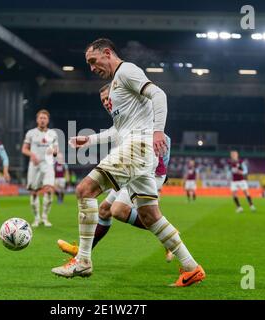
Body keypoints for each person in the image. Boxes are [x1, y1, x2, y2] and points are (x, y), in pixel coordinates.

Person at [52, 38, 205, 287]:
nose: (91, 68)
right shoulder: (117, 87)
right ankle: (191, 267)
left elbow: (159, 94)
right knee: (149, 214)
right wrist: (88, 140)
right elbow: (117, 130)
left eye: (93, 61)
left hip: (137, 147)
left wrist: (158, 131)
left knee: (84, 190)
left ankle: (83, 260)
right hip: (139, 152)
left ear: (107, 53)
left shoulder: (126, 71)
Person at [58, 83, 175, 263]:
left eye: (108, 98)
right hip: (130, 172)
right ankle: (82, 253)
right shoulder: (122, 119)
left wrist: (154, 177)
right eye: (103, 100)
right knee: (104, 210)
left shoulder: (140, 115)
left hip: (147, 172)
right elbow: (112, 133)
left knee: (119, 210)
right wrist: (89, 140)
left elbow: (162, 145)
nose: (106, 102)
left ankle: (169, 240)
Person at [22, 109, 59, 228]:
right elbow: (24, 149)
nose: (42, 120)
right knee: (34, 192)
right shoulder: (31, 133)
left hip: (48, 164)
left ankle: (45, 217)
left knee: (49, 190)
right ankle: (36, 218)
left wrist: (53, 151)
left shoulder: (53, 134)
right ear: (37, 120)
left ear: (48, 120)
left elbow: (56, 151)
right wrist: (32, 154)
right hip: (35, 165)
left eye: (45, 118)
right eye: (40, 118)